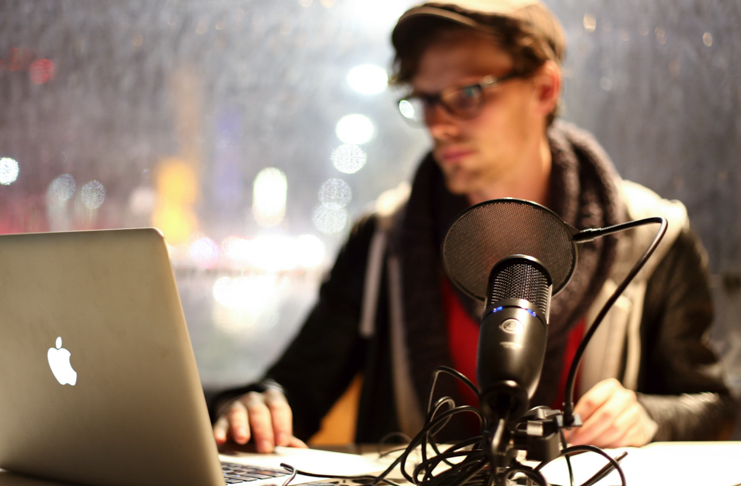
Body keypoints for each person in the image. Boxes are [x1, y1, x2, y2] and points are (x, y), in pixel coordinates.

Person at [212, 0, 736, 453]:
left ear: (544, 89)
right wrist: (258, 407)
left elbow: (715, 406)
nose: (438, 124)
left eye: (467, 95)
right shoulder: (383, 240)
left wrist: (648, 416)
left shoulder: (651, 237)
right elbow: (295, 388)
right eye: (425, 99)